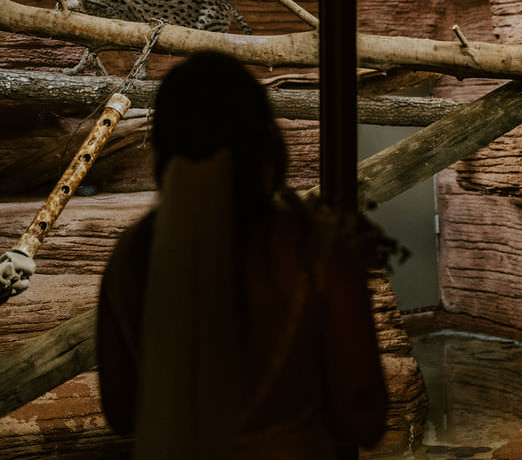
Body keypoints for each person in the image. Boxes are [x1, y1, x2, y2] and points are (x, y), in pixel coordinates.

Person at [97, 51, 388, 458]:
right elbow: (364, 419)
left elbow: (122, 411)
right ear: (264, 138)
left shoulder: (129, 256)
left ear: (161, 142)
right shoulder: (313, 251)